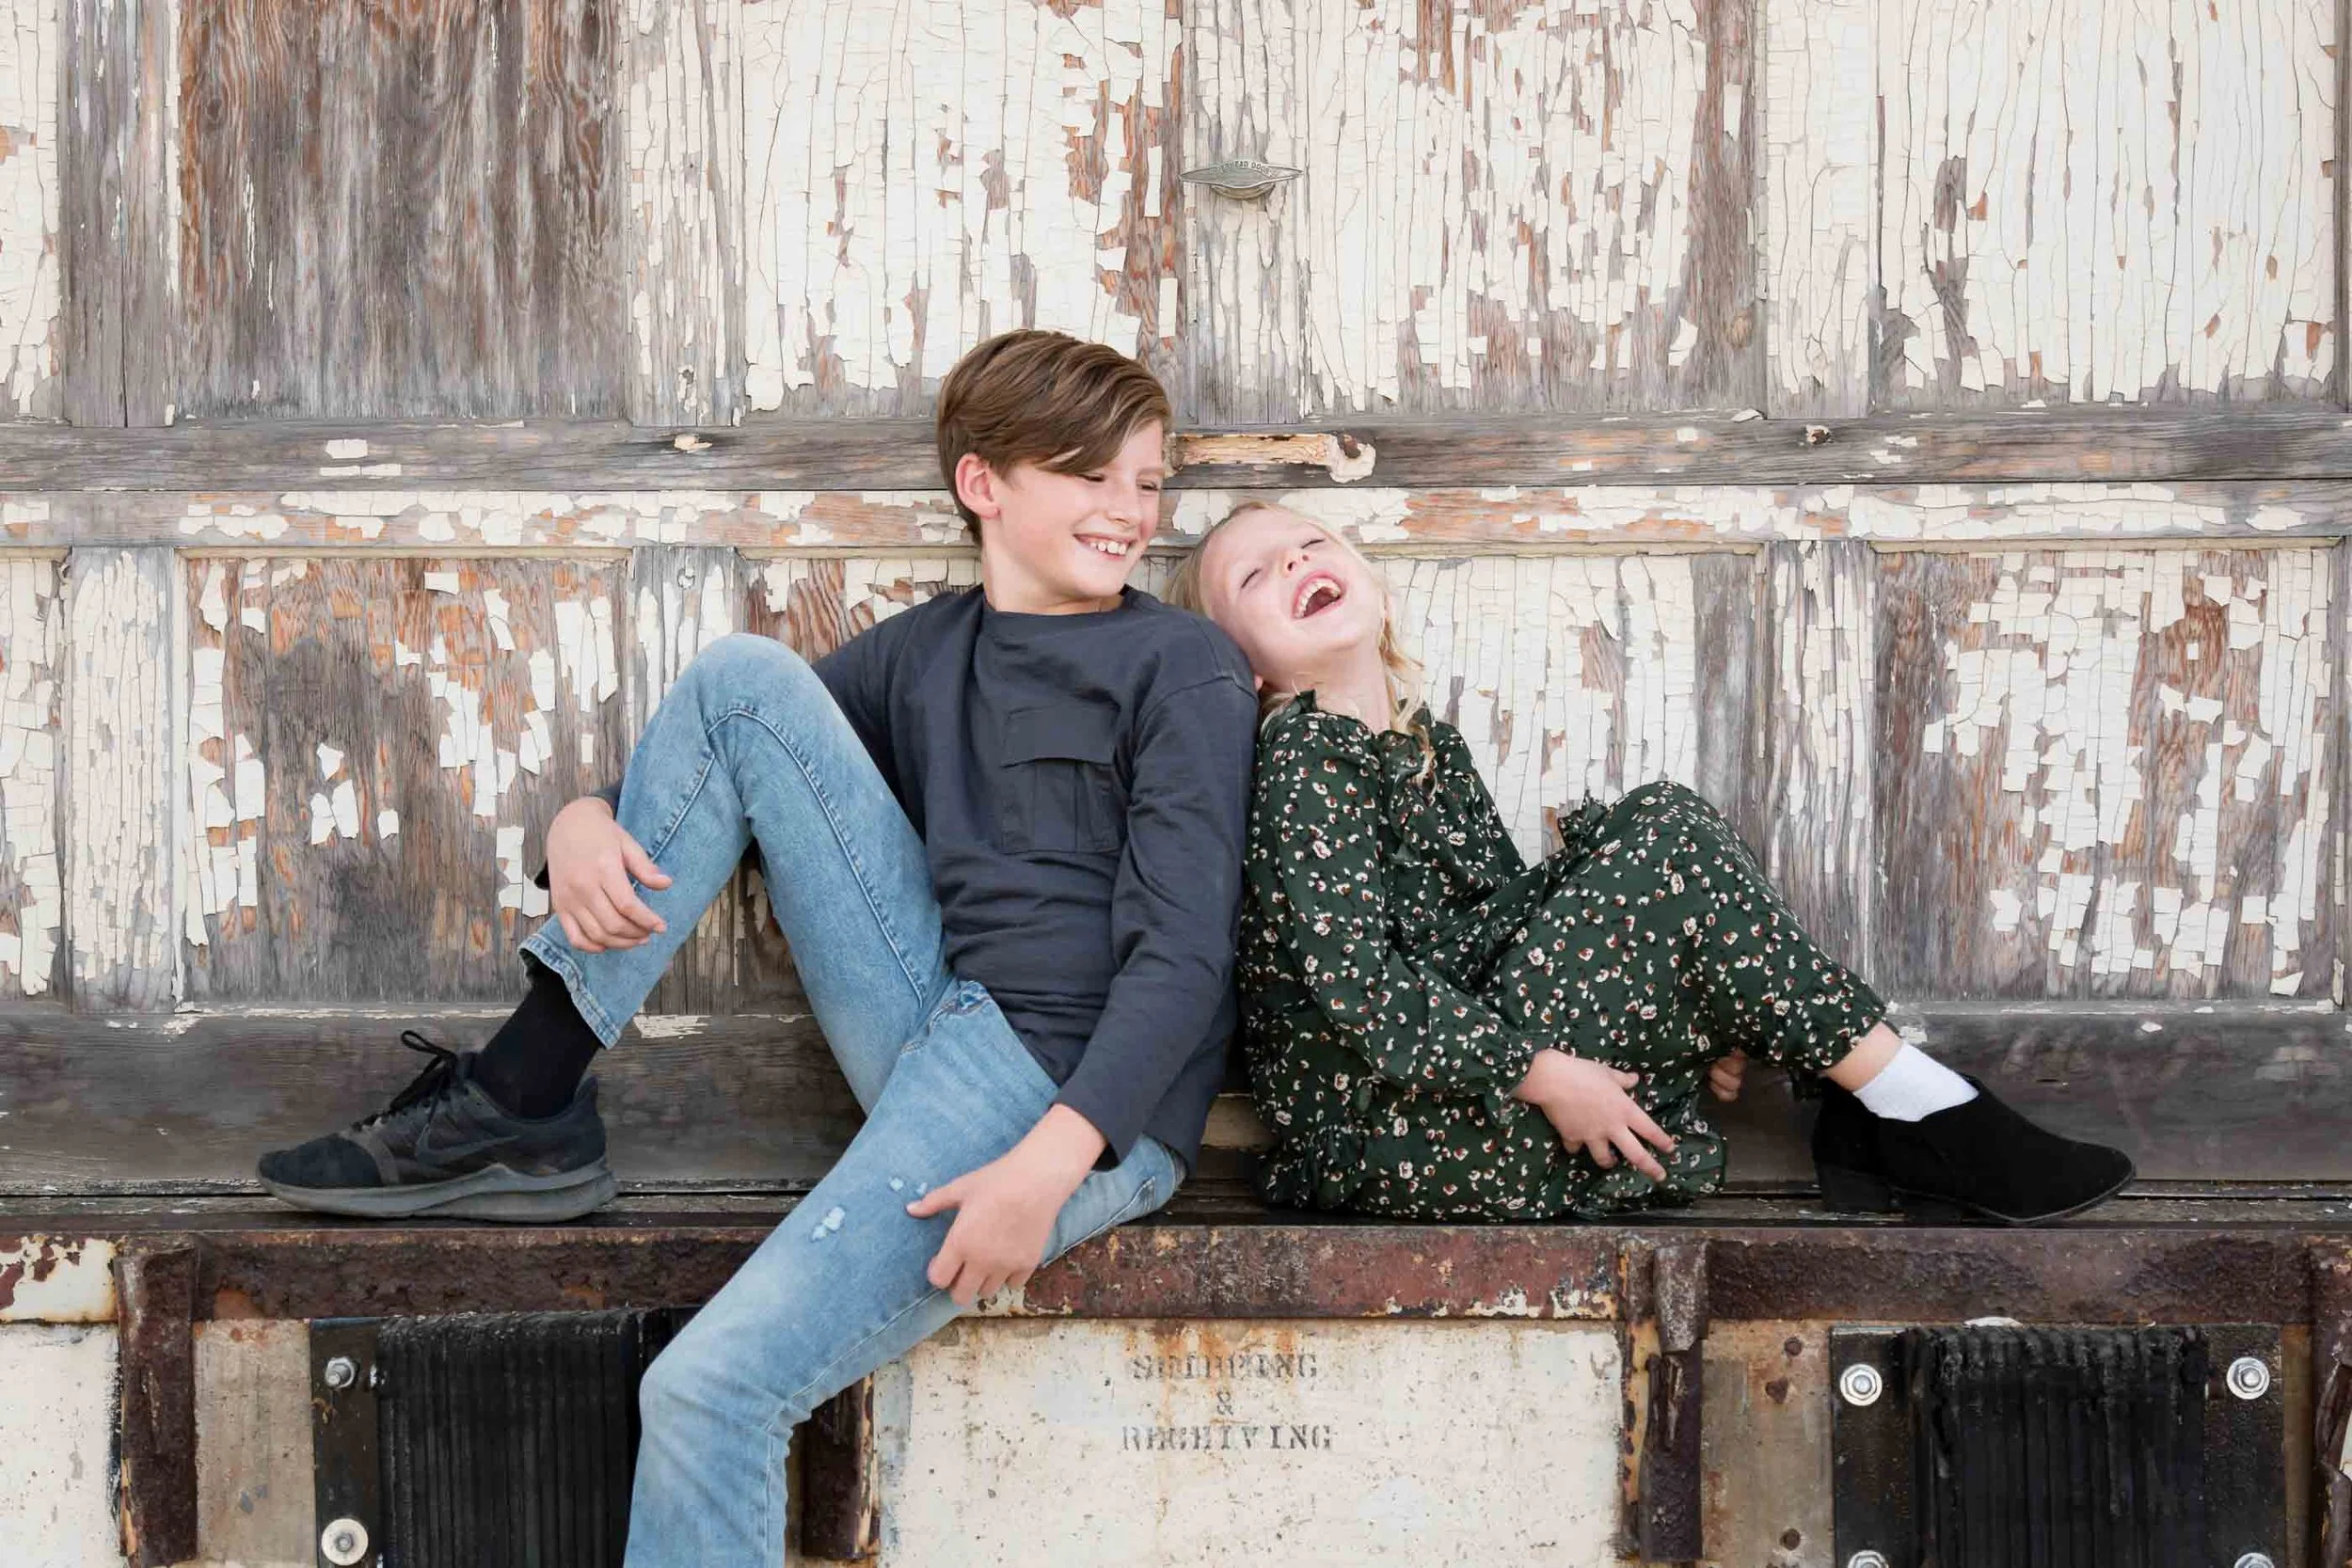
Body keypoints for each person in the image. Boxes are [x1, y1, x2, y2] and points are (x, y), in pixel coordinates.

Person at [255, 331, 1261, 1563]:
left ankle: (519, 1098)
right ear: (983, 483)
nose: (1129, 510)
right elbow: (721, 754)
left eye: (1149, 482)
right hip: (935, 1017)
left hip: (1062, 1094)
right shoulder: (927, 653)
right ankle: (526, 1090)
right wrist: (575, 817)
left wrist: (1049, 1166)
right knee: (740, 679)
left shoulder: (1180, 663)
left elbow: (1184, 956)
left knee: (705, 1393)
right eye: (1089, 473)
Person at [1164, 501, 2134, 1226]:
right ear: (1240, 667)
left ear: (1369, 581)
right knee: (1665, 837)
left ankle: (1879, 1098)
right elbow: (1359, 992)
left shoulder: (1428, 747)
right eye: (1254, 576)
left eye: (1312, 543)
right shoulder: (1302, 759)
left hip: (1460, 1086)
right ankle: (1905, 1102)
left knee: (1658, 831)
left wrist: (1692, 981)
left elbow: (1516, 925)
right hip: (1397, 1132)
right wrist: (1541, 1071)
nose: (1293, 558)